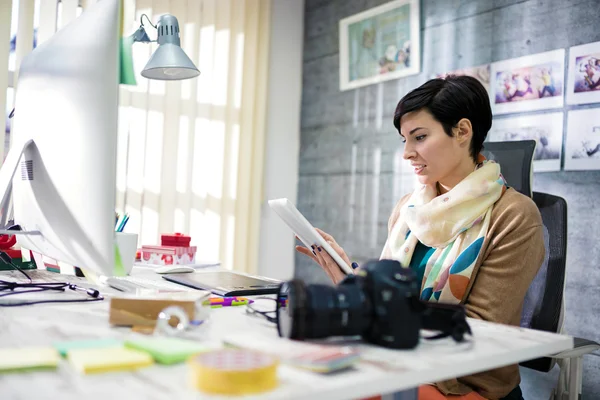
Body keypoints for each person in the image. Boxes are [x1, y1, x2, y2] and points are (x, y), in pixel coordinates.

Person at [296, 75, 545, 400]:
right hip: (397, 359)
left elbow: (480, 330)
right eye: (404, 140)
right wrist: (348, 277)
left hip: (463, 382)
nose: (407, 153)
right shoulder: (409, 209)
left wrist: (380, 311)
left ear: (462, 131)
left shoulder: (513, 215)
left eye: (420, 137)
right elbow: (393, 298)